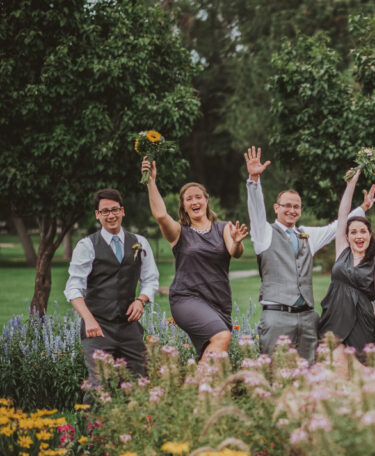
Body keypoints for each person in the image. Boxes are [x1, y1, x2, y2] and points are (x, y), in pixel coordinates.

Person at [244, 146, 369, 361]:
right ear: (276, 207)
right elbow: (256, 210)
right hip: (276, 315)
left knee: (309, 371)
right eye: (287, 206)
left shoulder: (306, 235)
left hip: (308, 316)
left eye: (297, 207)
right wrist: (254, 181)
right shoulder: (264, 234)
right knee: (275, 369)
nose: (292, 210)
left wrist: (362, 208)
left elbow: (336, 227)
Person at [142, 158, 247, 359]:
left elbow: (235, 251)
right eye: (188, 199)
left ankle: (200, 388)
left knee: (216, 353)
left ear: (206, 200)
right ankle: (197, 388)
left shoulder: (223, 228)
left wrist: (236, 242)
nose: (194, 201)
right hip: (187, 298)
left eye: (198, 197)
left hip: (218, 300)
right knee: (222, 336)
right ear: (183, 205)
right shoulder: (179, 232)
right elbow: (161, 216)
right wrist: (151, 182)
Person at [65, 188, 159, 385]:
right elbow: (73, 288)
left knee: (140, 382)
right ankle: (90, 417)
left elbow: (150, 279)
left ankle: (135, 417)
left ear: (122, 211)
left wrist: (141, 301)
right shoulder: (86, 246)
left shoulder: (140, 243)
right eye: (105, 211)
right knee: (99, 384)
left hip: (129, 327)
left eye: (115, 210)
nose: (111, 215)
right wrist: (89, 320)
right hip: (98, 326)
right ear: (97, 215)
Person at [318, 170, 375, 362]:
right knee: (330, 361)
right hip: (334, 313)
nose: (359, 236)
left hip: (362, 318)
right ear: (347, 236)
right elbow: (343, 213)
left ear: (370, 235)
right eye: (353, 232)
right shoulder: (342, 250)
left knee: (359, 365)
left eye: (363, 231)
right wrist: (351, 184)